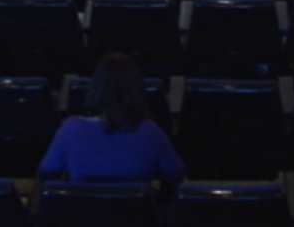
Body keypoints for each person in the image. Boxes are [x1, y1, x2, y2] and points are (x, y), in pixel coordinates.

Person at [38, 53, 185, 184]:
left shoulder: (71, 129)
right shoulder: (150, 131)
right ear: (137, 90)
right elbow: (176, 174)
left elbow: (46, 173)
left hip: (82, 207)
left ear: (95, 87)